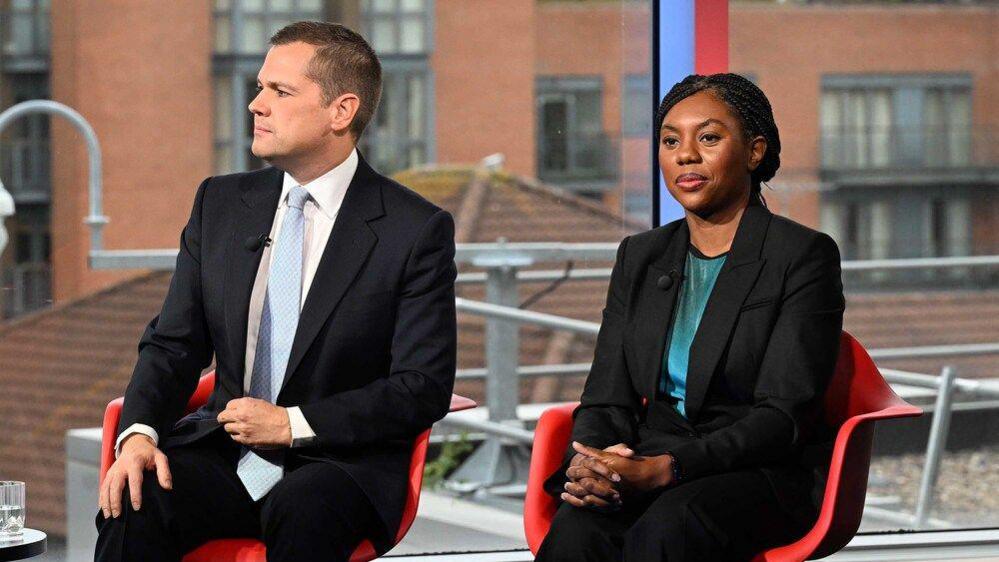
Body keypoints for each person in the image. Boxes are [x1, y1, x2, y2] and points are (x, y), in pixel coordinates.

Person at [95, 21, 457, 562]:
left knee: (304, 508)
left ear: (342, 111)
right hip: (225, 452)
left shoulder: (414, 230)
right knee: (136, 500)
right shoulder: (218, 203)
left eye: (279, 92)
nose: (255, 105)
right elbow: (172, 344)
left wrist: (290, 424)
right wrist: (140, 435)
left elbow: (420, 387)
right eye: (260, 87)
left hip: (339, 462)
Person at [535, 73, 845, 561]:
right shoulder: (640, 255)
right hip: (645, 459)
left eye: (709, 138)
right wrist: (595, 461)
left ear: (755, 151)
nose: (685, 156)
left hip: (757, 471)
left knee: (669, 526)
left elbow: (782, 419)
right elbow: (605, 398)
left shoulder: (802, 255)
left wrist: (668, 468)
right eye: (670, 140)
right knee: (578, 532)